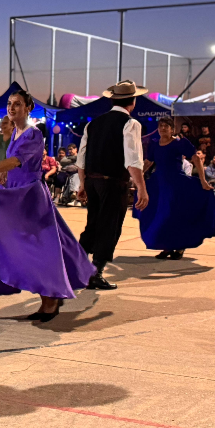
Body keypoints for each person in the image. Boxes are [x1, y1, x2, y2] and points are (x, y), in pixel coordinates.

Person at [0, 90, 95, 322]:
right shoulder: (15, 132)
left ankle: (51, 299)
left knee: (39, 248)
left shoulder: (33, 134)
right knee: (19, 244)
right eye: (9, 104)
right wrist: (3, 173)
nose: (11, 107)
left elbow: (18, 160)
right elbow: (13, 163)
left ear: (28, 108)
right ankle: (53, 291)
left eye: (17, 104)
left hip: (29, 198)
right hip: (14, 194)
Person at [76, 80, 149, 290]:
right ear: (132, 101)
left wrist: (82, 184)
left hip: (92, 181)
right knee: (110, 226)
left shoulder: (93, 124)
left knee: (93, 224)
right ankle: (95, 272)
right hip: (113, 183)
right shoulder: (130, 124)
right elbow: (133, 160)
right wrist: (142, 188)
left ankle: (75, 267)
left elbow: (81, 158)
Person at [134, 117, 215, 260]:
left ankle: (179, 247)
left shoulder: (180, 143)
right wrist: (138, 176)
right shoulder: (154, 144)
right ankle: (166, 246)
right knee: (158, 214)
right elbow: (148, 162)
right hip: (159, 183)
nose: (163, 128)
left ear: (172, 129)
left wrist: (203, 181)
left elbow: (196, 158)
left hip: (176, 184)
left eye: (166, 126)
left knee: (174, 215)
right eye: (160, 126)